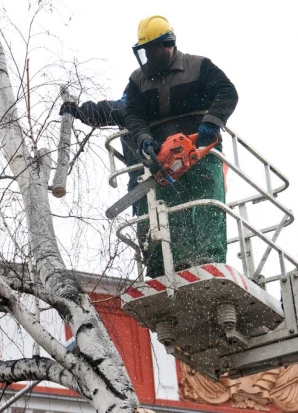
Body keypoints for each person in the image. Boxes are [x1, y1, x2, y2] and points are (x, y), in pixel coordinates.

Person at [125, 15, 238, 278]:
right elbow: (133, 115)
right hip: (161, 158)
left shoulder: (199, 67)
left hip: (199, 155)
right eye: (145, 51)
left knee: (205, 204)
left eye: (153, 49)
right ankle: (162, 267)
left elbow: (227, 92)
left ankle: (208, 259)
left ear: (168, 44)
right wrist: (144, 140)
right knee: (160, 211)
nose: (150, 56)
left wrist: (211, 122)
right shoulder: (138, 80)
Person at [59, 89, 142, 191]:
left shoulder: (134, 102)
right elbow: (110, 110)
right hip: (150, 173)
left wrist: (79, 111)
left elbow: (111, 110)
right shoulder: (155, 98)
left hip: (142, 176)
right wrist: (79, 111)